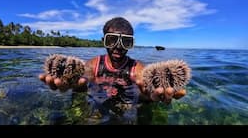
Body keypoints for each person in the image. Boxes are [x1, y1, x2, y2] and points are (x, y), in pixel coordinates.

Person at [39, 17, 186, 124]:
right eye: (112, 40)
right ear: (104, 40)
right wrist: (73, 81)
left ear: (131, 44)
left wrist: (148, 93)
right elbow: (83, 74)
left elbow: (145, 80)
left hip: (128, 111)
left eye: (125, 42)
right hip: (96, 110)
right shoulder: (94, 64)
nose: (118, 46)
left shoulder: (138, 69)